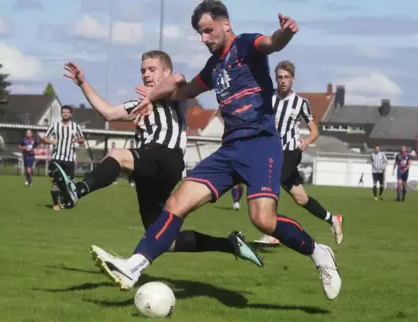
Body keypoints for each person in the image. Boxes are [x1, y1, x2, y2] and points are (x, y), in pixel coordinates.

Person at [94, 0, 341, 301]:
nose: (204, 39)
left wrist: (285, 32)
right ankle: (134, 266)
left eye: (208, 31)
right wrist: (152, 97)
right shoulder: (213, 67)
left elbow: (272, 43)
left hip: (261, 144)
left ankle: (319, 253)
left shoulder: (247, 45)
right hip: (229, 149)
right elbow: (184, 91)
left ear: (225, 24)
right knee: (176, 203)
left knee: (262, 220)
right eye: (200, 33)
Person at [51, 52, 262, 266]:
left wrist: (151, 95)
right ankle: (229, 244)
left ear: (165, 72)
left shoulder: (175, 94)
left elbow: (178, 78)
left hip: (164, 156)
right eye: (143, 70)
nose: (146, 74)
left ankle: (77, 190)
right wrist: (82, 83)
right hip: (149, 169)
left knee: (117, 155)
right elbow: (108, 113)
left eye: (152, 69)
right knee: (161, 238)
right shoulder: (141, 103)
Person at [253, 60, 343, 247]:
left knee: (271, 181)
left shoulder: (301, 103)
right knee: (301, 198)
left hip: (290, 151)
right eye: (279, 78)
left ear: (293, 79)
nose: (283, 81)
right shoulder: (268, 98)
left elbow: (314, 131)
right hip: (271, 150)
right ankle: (333, 219)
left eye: (286, 77)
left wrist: (307, 142)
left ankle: (273, 231)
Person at [43, 105, 85, 211]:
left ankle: (64, 201)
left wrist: (77, 140)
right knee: (55, 181)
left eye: (67, 112)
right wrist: (52, 141)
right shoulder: (55, 126)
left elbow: (82, 139)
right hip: (57, 158)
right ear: (61, 114)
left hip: (70, 159)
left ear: (71, 114)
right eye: (63, 112)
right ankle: (55, 204)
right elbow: (45, 138)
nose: (65, 114)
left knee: (68, 183)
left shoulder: (75, 127)